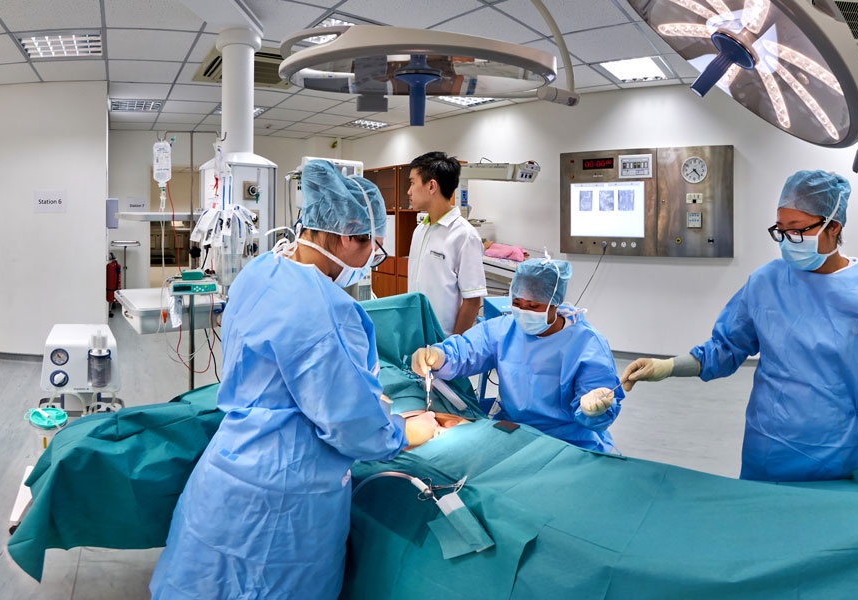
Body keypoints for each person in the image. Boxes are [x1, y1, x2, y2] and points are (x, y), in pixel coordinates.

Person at [151, 160, 437, 599]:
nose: (371, 263)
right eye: (372, 251)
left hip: (226, 475)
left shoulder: (259, 271)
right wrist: (404, 431)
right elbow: (354, 426)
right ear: (345, 237)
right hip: (284, 500)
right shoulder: (326, 311)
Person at [618, 170, 858, 482]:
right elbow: (725, 348)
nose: (787, 241)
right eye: (780, 230)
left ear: (834, 227)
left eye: (797, 230)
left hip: (855, 447)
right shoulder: (766, 283)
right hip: (777, 445)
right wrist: (668, 366)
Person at [408, 258, 625, 453]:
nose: (523, 312)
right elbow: (467, 349)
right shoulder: (504, 329)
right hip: (514, 433)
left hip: (569, 442)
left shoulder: (587, 345)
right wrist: (439, 355)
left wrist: (594, 409)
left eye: (533, 306)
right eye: (517, 303)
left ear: (554, 303)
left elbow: (597, 407)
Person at [406, 151, 488, 336]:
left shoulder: (464, 235)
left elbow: (473, 300)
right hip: (416, 335)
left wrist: (452, 347)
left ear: (432, 186)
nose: (409, 191)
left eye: (412, 183)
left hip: (445, 342)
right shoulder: (420, 230)